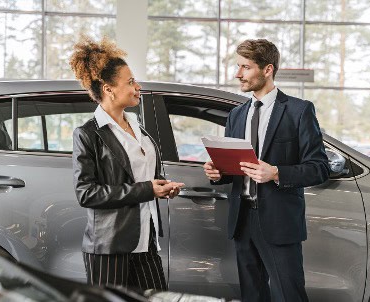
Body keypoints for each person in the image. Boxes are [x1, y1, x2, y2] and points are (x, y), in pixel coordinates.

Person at [204, 39, 329, 302]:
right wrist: (219, 173)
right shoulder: (236, 115)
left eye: (245, 67)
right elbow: (234, 169)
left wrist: (276, 173)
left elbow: (319, 168)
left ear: (268, 69)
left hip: (279, 221)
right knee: (252, 296)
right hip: (242, 220)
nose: (238, 74)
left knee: (289, 295)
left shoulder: (298, 111)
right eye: (238, 66)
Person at [70, 36, 184, 291]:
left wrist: (162, 188)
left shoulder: (137, 128)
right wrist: (147, 190)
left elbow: (141, 176)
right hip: (110, 246)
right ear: (109, 89)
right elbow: (86, 193)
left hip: (146, 240)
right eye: (131, 81)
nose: (137, 86)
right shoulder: (88, 134)